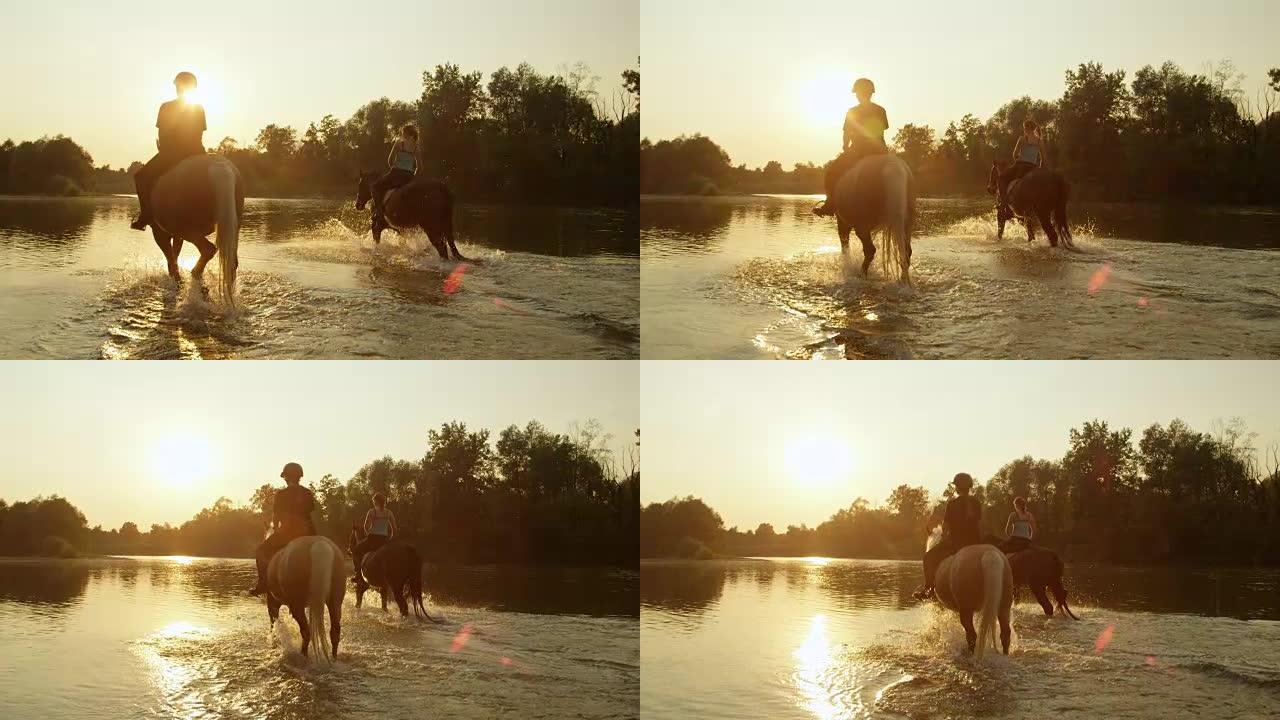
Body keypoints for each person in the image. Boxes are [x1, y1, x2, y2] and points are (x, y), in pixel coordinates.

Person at [131, 71, 208, 231]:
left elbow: (163, 134)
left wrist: (165, 150)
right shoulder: (199, 108)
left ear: (178, 87)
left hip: (173, 153)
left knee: (140, 177)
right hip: (198, 152)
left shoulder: (166, 107)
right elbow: (199, 134)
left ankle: (145, 215)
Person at [813, 78, 890, 216]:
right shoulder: (881, 110)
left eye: (857, 93)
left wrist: (846, 147)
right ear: (871, 93)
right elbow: (881, 130)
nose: (857, 96)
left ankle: (829, 206)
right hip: (881, 151)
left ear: (859, 94)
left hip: (859, 150)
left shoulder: (852, 111)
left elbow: (846, 134)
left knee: (832, 172)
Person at [248, 462, 317, 596]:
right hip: (309, 532)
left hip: (288, 533)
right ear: (299, 477)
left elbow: (276, 517)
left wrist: (276, 527)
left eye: (285, 477)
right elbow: (309, 515)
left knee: (261, 551)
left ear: (286, 477)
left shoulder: (282, 494)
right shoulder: (307, 493)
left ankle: (262, 583)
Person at [915, 472, 983, 600]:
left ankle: (928, 588)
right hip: (975, 543)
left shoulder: (953, 504)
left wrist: (944, 537)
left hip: (957, 544)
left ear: (957, 487)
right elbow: (979, 525)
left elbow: (945, 527)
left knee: (928, 558)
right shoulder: (976, 503)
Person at [370, 124, 422, 241]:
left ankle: (378, 212)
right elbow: (420, 167)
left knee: (375, 187)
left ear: (406, 133)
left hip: (396, 173)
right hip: (409, 176)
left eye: (403, 133)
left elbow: (390, 160)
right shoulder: (416, 147)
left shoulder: (399, 143)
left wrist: (395, 168)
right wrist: (412, 176)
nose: (401, 135)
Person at [996, 119, 1045, 210]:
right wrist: (1039, 170)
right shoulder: (1039, 141)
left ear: (1026, 128)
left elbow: (1015, 155)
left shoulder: (1022, 138)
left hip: (1021, 166)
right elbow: (1043, 159)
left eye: (1024, 128)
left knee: (1002, 178)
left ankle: (1003, 202)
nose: (1024, 130)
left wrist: (1019, 158)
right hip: (1033, 168)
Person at [351, 492, 398, 585]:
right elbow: (394, 529)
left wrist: (368, 534)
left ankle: (358, 575)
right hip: (384, 540)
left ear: (376, 501)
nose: (373, 503)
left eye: (374, 501)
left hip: (372, 539)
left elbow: (366, 526)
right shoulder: (389, 513)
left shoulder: (372, 512)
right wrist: (390, 539)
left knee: (356, 551)